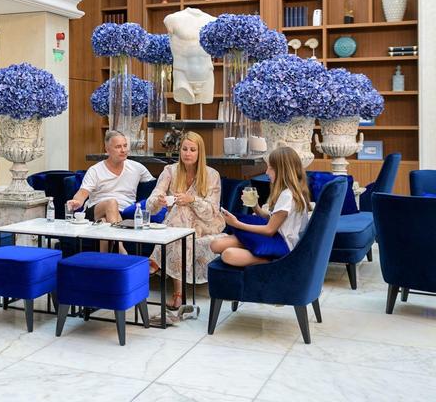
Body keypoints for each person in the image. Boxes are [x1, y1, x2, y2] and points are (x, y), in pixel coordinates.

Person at [146, 132, 224, 310]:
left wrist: (192, 200)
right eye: (184, 149)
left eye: (192, 150)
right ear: (179, 150)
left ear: (200, 152)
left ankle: (155, 261)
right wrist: (158, 201)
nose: (187, 153)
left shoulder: (212, 175)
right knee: (181, 219)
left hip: (206, 224)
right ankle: (178, 296)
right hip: (180, 227)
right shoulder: (170, 171)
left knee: (183, 208)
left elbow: (212, 211)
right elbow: (151, 204)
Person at [211, 146, 312, 267]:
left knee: (228, 255)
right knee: (216, 245)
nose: (267, 172)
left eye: (271, 168)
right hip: (276, 238)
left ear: (282, 170)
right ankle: (257, 251)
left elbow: (269, 230)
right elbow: (274, 220)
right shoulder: (289, 192)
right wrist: (256, 207)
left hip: (284, 246)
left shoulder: (288, 196)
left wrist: (236, 224)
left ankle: (272, 261)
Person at [67, 130, 153, 251]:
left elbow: (156, 185)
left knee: (104, 222)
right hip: (95, 210)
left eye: (125, 146)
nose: (123, 150)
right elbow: (82, 192)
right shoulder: (96, 170)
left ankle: (105, 259)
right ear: (107, 150)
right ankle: (122, 251)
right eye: (118, 147)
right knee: (111, 203)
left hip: (122, 212)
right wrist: (76, 201)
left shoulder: (137, 168)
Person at [164, 8, 216, 104]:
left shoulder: (213, 21)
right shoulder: (173, 19)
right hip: (182, 74)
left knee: (206, 104)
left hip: (207, 73)